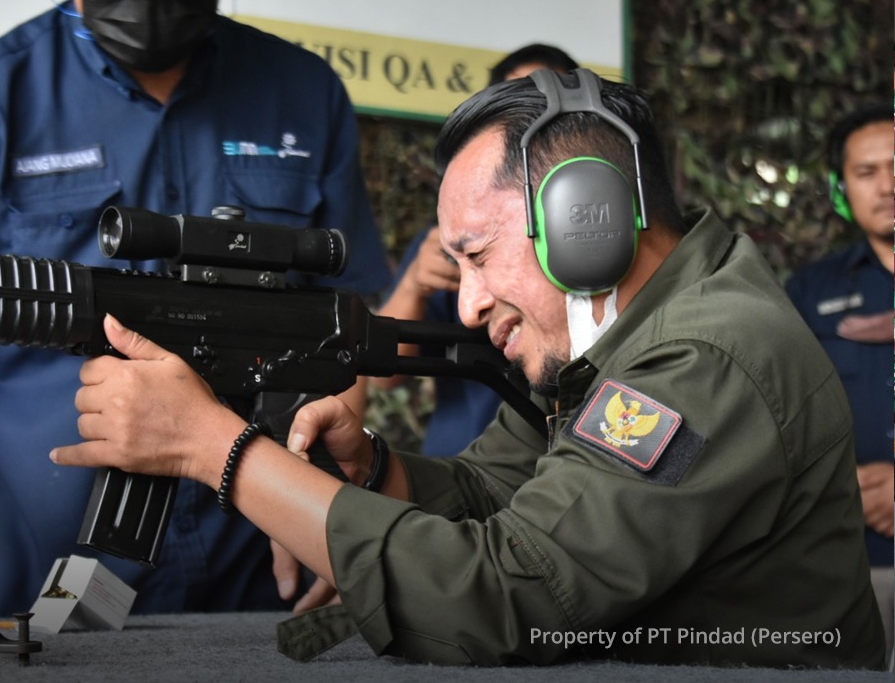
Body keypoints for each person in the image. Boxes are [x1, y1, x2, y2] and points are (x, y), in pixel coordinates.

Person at [50, 69, 886, 668]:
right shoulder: (617, 336)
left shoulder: (700, 356)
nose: (468, 303)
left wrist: (214, 450)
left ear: (586, 219)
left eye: (479, 255)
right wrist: (375, 469)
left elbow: (511, 598)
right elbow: (499, 499)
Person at [0, 0, 390, 619]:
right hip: (23, 595)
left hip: (258, 589)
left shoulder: (305, 94)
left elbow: (338, 343)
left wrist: (332, 523)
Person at [373, 43, 578, 456]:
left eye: (539, 105)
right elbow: (384, 372)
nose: (475, 306)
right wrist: (415, 284)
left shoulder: (596, 229)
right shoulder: (450, 242)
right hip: (467, 460)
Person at [785, 102, 894, 663]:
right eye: (867, 172)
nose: (888, 186)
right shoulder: (809, 291)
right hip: (853, 561)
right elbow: (778, 417)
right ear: (841, 190)